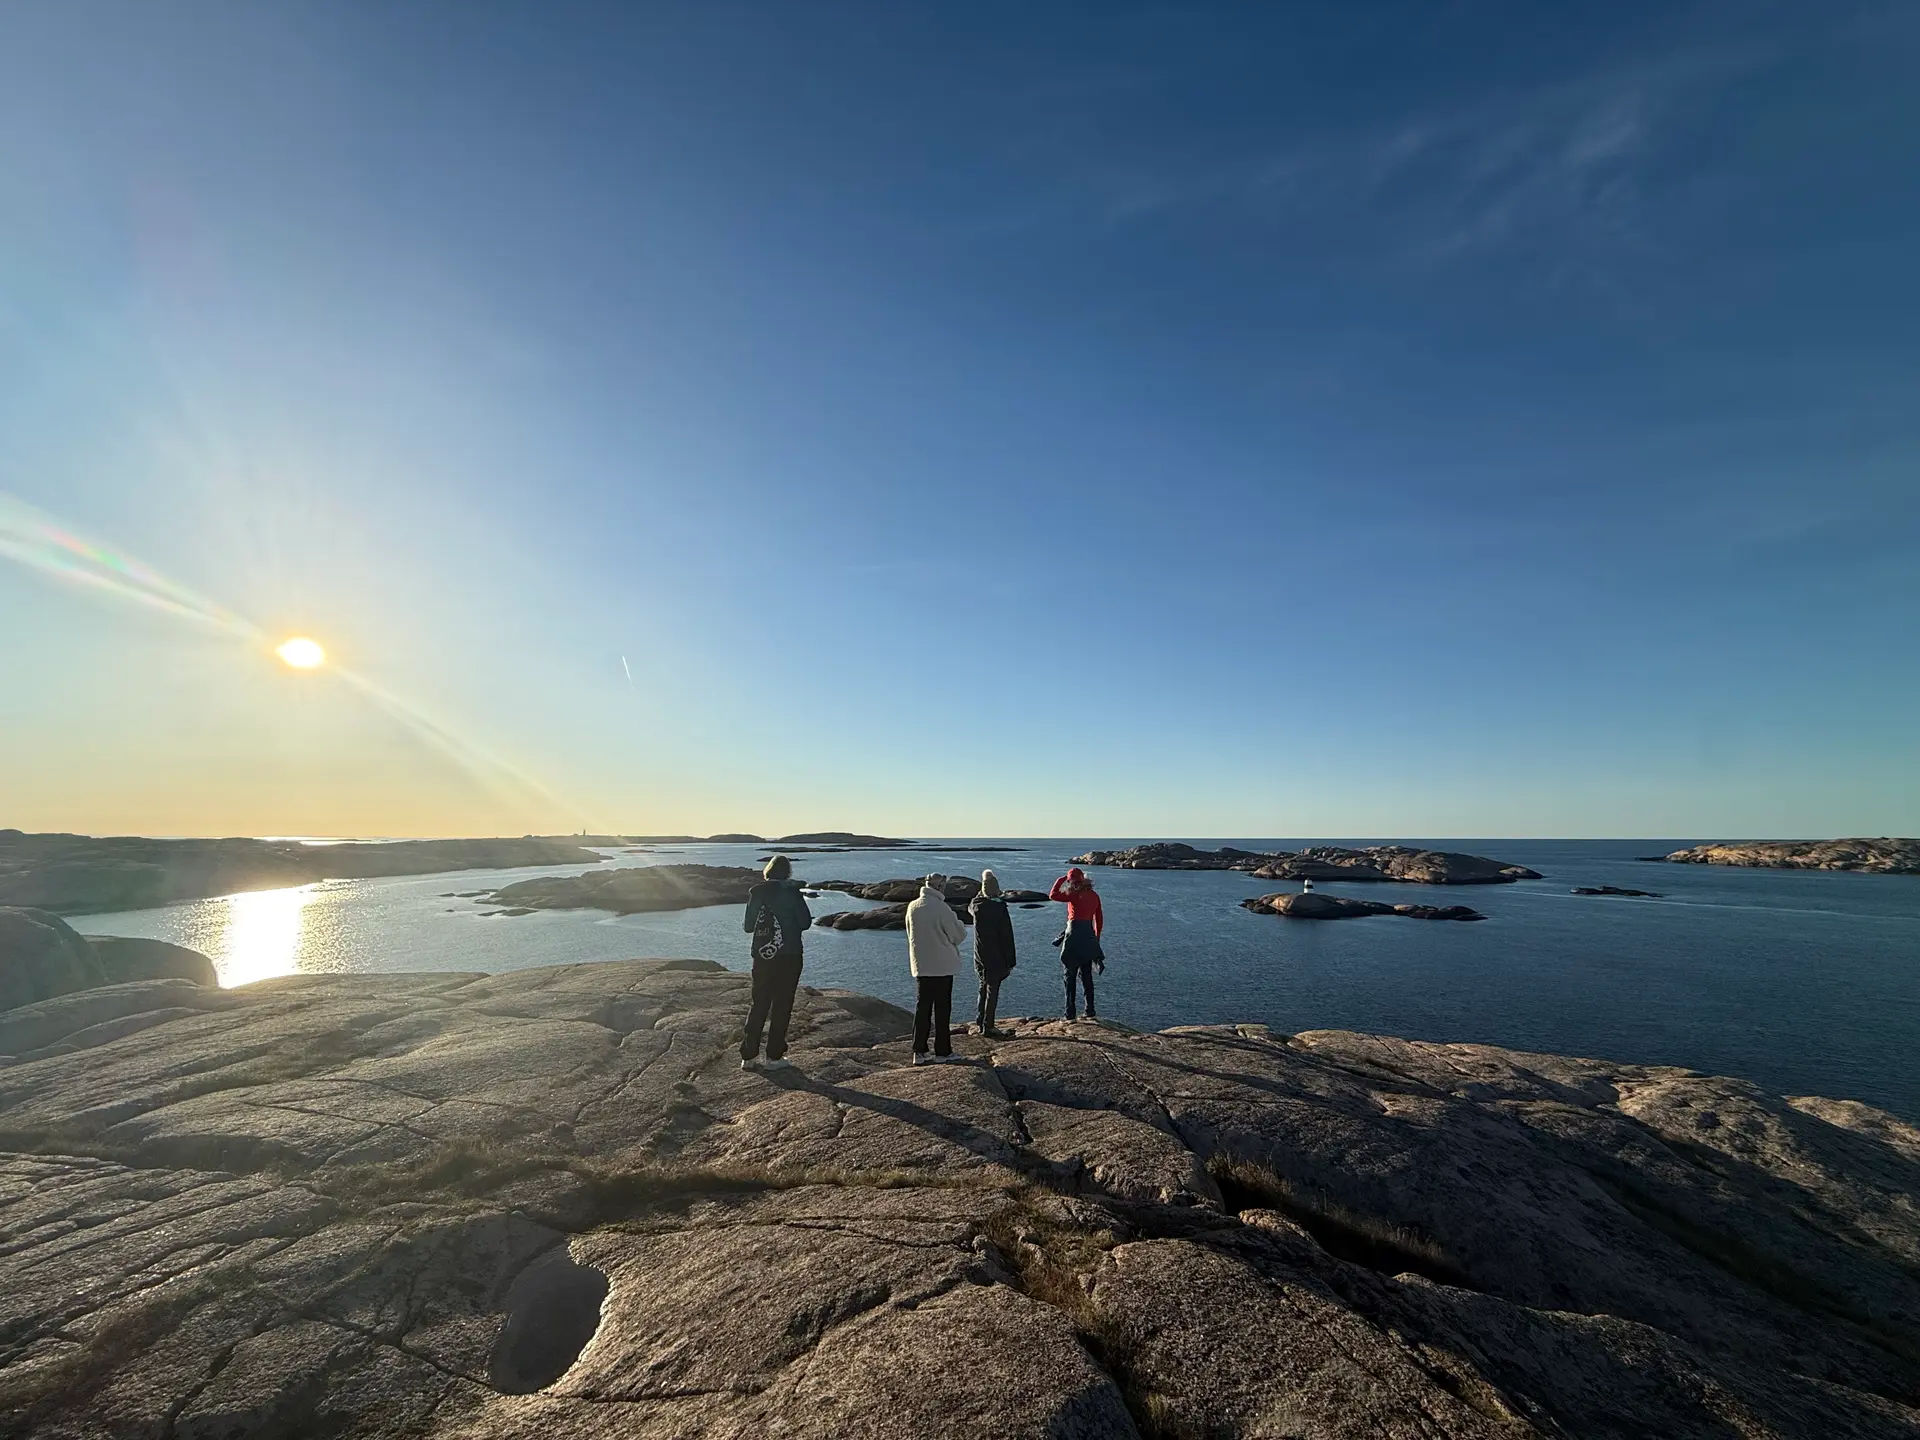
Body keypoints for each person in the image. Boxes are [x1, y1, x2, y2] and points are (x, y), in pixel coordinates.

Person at [740, 854, 812, 1071]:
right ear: (787, 873)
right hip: (789, 955)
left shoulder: (757, 892)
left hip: (763, 957)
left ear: (768, 871)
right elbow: (806, 922)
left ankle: (748, 1057)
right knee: (782, 1006)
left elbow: (748, 927)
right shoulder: (792, 893)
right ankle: (774, 1057)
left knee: (759, 1004)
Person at [905, 873, 967, 1064]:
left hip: (922, 964)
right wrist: (959, 923)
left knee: (922, 1007)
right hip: (942, 965)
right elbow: (958, 935)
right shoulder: (942, 908)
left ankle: (919, 1051)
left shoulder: (913, 906)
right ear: (939, 887)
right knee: (942, 1008)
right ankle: (943, 1052)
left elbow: (909, 932)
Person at [1049, 866, 1105, 1021]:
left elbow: (1053, 895)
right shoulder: (1094, 896)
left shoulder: (1074, 895)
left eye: (1073, 881)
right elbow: (1098, 919)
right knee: (1087, 975)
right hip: (1088, 936)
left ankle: (1070, 1013)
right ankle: (1090, 1010)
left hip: (1073, 937)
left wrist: (1062, 879)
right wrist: (1096, 938)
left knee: (1069, 975)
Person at [968, 869, 1017, 1038]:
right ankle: (989, 1026)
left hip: (979, 955)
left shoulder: (976, 906)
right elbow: (1006, 935)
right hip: (996, 957)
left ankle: (980, 1020)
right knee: (992, 990)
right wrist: (1011, 961)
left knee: (983, 986)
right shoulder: (1000, 908)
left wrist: (983, 887)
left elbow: (974, 901)